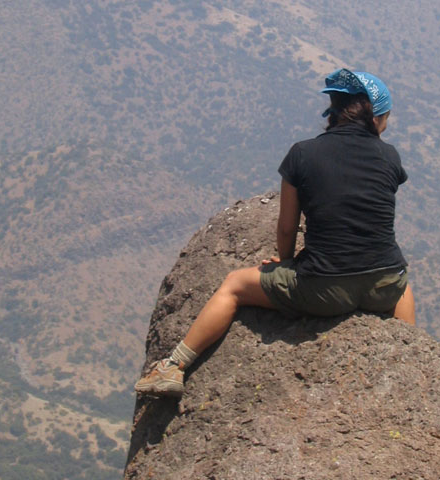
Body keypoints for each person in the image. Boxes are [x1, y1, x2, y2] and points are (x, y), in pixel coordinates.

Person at [135, 68, 415, 397]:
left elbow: (286, 227)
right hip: (383, 285)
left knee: (234, 285)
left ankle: (173, 366)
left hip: (324, 289)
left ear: (335, 111)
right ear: (376, 116)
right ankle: (409, 366)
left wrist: (284, 262)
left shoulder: (302, 154)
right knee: (402, 286)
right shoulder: (390, 157)